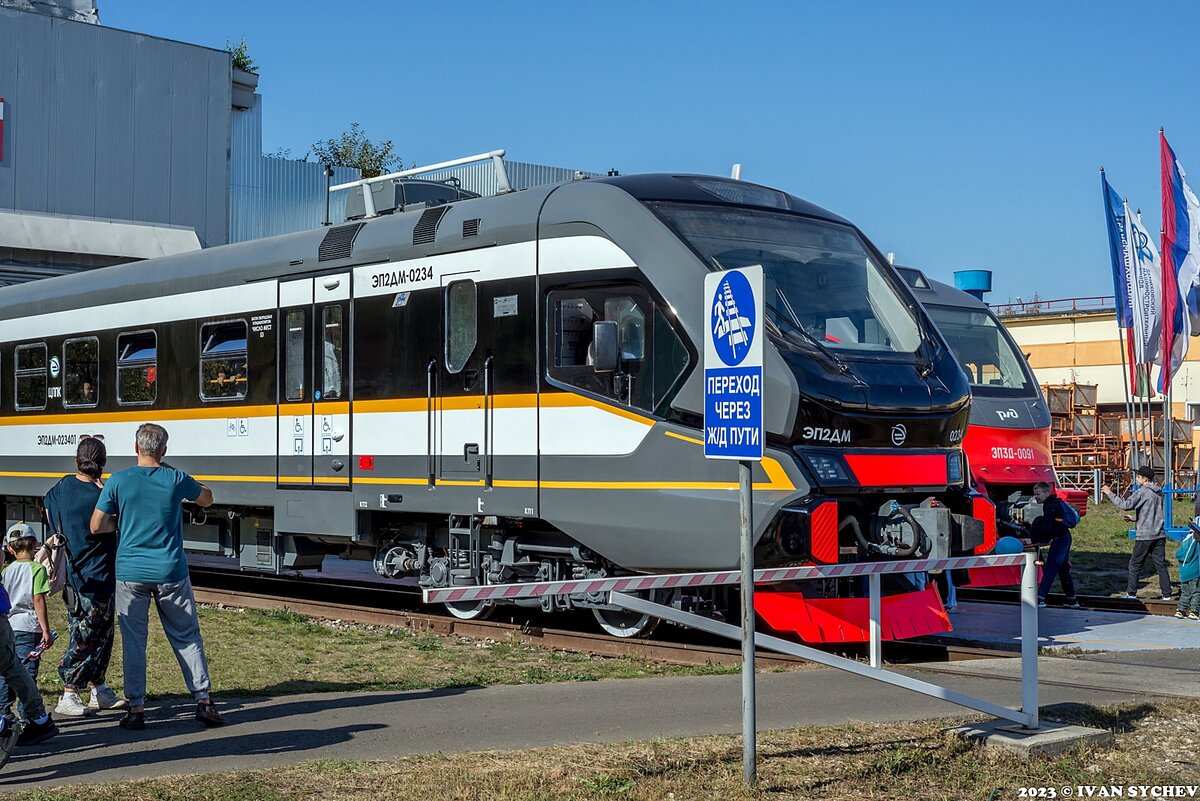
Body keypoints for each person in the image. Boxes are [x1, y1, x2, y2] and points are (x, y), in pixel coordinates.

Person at [91, 423, 224, 730]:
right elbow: (207, 499)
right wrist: (176, 473)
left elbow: (96, 526)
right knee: (186, 636)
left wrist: (121, 527)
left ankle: (136, 709)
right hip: (171, 571)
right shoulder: (175, 478)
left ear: (135, 448)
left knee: (134, 642)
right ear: (163, 450)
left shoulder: (119, 481)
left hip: (130, 573)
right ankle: (203, 700)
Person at [44, 436, 125, 716]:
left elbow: (47, 506)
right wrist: (103, 491)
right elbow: (111, 524)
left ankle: (98, 688)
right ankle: (68, 692)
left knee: (96, 633)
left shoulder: (62, 487)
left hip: (74, 574)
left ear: (76, 461)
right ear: (103, 463)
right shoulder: (100, 497)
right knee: (88, 636)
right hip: (97, 574)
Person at [0, 524, 58, 749]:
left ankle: (4, 711)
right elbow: (38, 600)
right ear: (34, 545)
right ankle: (29, 716)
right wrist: (45, 629)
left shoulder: (7, 571)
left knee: (6, 674)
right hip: (29, 626)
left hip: (10, 622)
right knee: (24, 670)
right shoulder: (37, 569)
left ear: (11, 550)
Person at [1102, 465, 1172, 601]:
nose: (1136, 479)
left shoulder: (1142, 492)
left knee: (1134, 564)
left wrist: (1109, 493)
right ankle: (1167, 595)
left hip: (1145, 535)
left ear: (1145, 479)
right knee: (1161, 566)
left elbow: (1125, 505)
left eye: (1138, 477)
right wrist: (1134, 518)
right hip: (1159, 534)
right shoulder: (1158, 492)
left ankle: (1131, 593)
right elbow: (1153, 514)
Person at [1020, 482, 1080, 609]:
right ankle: (1071, 599)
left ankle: (1040, 598)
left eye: (1038, 494)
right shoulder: (1055, 503)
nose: (1036, 497)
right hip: (1064, 538)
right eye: (1034, 494)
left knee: (1050, 569)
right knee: (1063, 569)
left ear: (1047, 493)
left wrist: (1036, 540)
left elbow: (1047, 526)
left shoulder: (1050, 506)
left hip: (1060, 540)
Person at [1176, 523, 1200, 620]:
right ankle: (1194, 611)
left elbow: (1179, 554)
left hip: (1184, 571)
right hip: (1195, 571)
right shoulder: (1196, 542)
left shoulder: (1186, 541)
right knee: (1196, 592)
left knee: (1185, 592)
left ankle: (1181, 610)